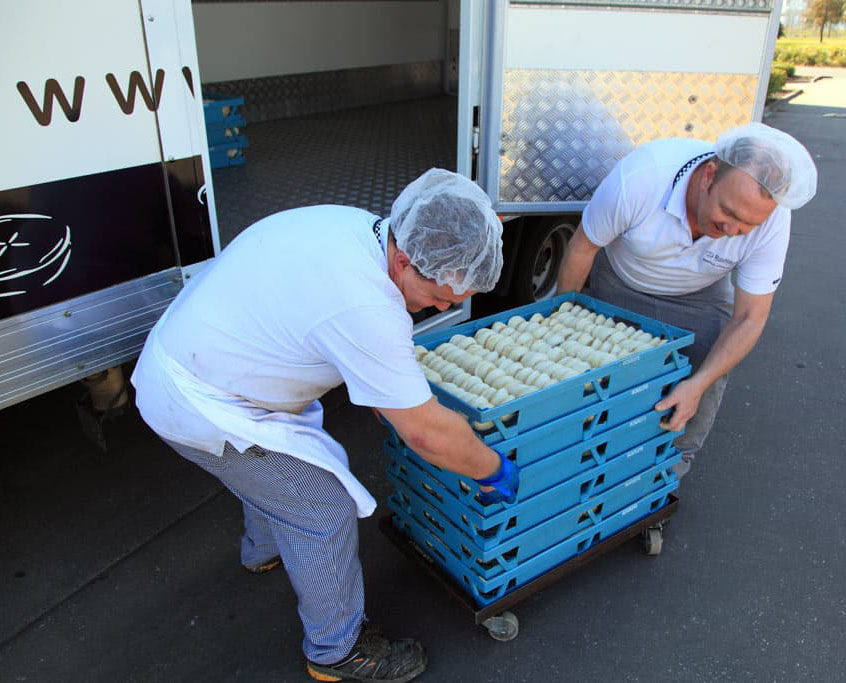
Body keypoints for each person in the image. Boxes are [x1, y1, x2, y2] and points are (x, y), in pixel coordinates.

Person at [130, 169, 518, 683]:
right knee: (322, 508)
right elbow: (427, 433)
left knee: (272, 477)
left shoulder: (361, 229)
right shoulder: (365, 305)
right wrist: (492, 469)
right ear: (405, 260)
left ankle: (262, 550)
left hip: (206, 353)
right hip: (198, 399)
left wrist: (397, 397)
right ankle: (337, 650)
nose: (447, 307)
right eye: (443, 295)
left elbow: (380, 389)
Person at [556, 122, 817, 478]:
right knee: (606, 381)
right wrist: (562, 322)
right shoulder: (643, 177)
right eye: (728, 214)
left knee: (703, 379)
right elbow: (583, 248)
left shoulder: (772, 220)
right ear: (709, 175)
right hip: (621, 281)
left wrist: (698, 383)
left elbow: (750, 317)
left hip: (700, 296)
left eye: (747, 226)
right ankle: (592, 464)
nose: (732, 232)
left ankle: (665, 476)